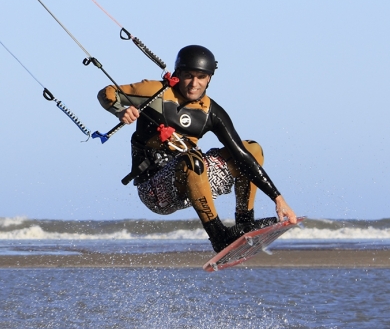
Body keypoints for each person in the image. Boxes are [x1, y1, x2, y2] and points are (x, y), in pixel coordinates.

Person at [98, 44, 297, 252]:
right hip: (155, 191)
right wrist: (119, 111)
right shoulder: (154, 92)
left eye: (201, 77)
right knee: (192, 159)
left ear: (209, 78)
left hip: (194, 182)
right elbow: (107, 92)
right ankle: (219, 237)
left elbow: (242, 156)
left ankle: (244, 223)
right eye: (188, 76)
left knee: (252, 149)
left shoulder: (211, 111)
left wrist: (278, 198)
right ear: (178, 74)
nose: (194, 84)